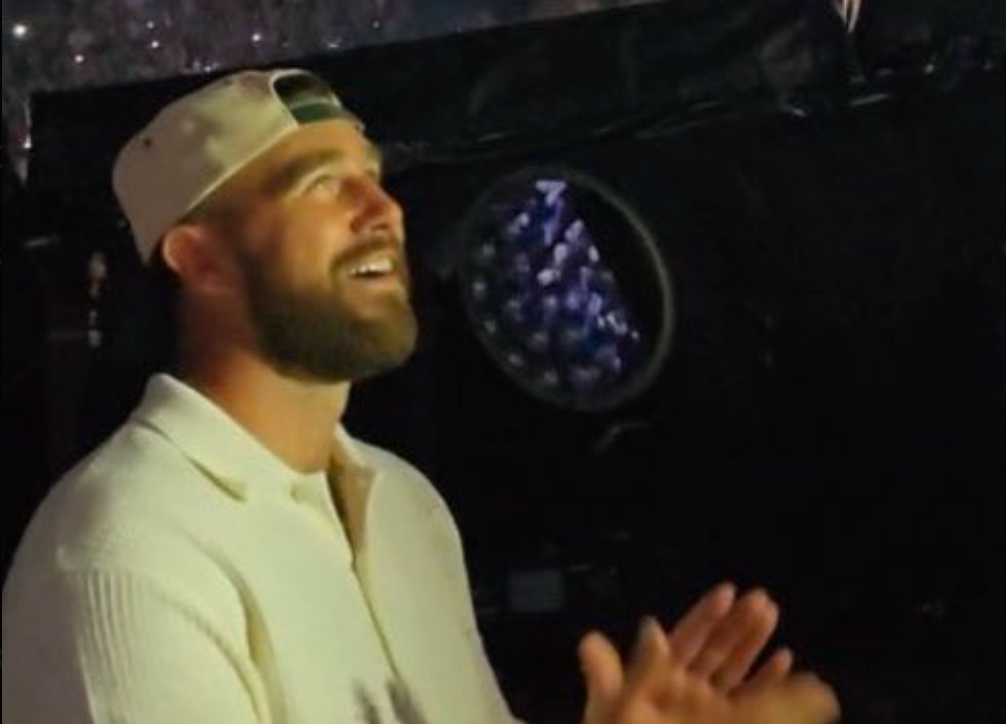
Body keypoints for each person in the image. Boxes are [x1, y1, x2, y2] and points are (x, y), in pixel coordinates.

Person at [1, 68, 840, 724]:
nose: (383, 208)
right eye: (320, 183)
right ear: (200, 259)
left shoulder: (405, 506)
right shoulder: (125, 552)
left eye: (373, 176)